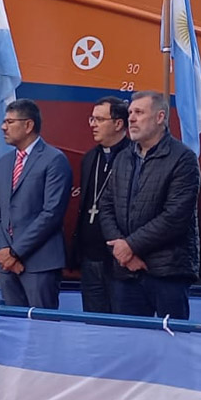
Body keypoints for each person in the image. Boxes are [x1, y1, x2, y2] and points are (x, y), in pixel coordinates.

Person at [99, 91, 200, 319]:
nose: (131, 118)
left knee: (171, 346)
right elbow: (105, 206)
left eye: (139, 112)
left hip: (167, 273)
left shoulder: (183, 159)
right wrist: (122, 251)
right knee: (130, 346)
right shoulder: (124, 158)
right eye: (130, 113)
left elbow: (175, 216)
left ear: (160, 117)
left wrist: (130, 246)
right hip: (126, 272)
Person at [0, 99, 73, 309]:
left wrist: (15, 252)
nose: (3, 127)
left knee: (42, 330)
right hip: (6, 265)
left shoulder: (54, 160)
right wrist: (3, 251)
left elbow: (51, 213)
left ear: (28, 125)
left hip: (39, 264)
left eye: (9, 121)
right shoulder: (6, 162)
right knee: (15, 330)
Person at [71, 97, 130, 313]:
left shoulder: (133, 156)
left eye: (99, 119)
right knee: (94, 324)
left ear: (118, 124)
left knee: (121, 325)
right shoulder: (90, 158)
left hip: (119, 260)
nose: (92, 124)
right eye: (92, 119)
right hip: (90, 259)